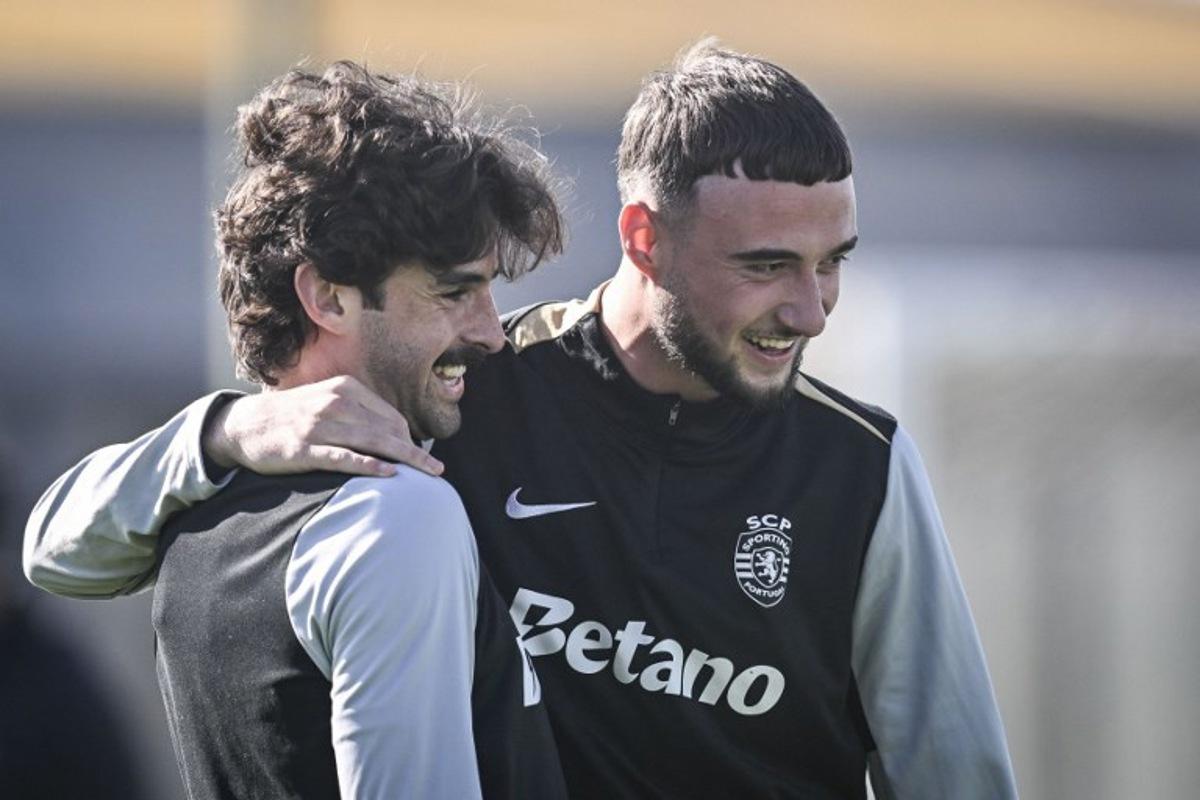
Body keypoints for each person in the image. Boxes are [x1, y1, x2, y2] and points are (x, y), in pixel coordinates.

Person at [25, 41, 1018, 798]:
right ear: (646, 238)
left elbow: (958, 776)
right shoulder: (469, 391)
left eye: (831, 260)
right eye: (765, 266)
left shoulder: (862, 467)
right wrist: (229, 428)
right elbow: (59, 547)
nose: (810, 309)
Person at [26, 61, 569, 799]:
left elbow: (54, 551)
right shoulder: (399, 514)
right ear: (327, 297)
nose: (491, 331)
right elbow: (48, 551)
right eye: (454, 291)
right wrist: (228, 426)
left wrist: (222, 433)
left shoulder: (199, 507)